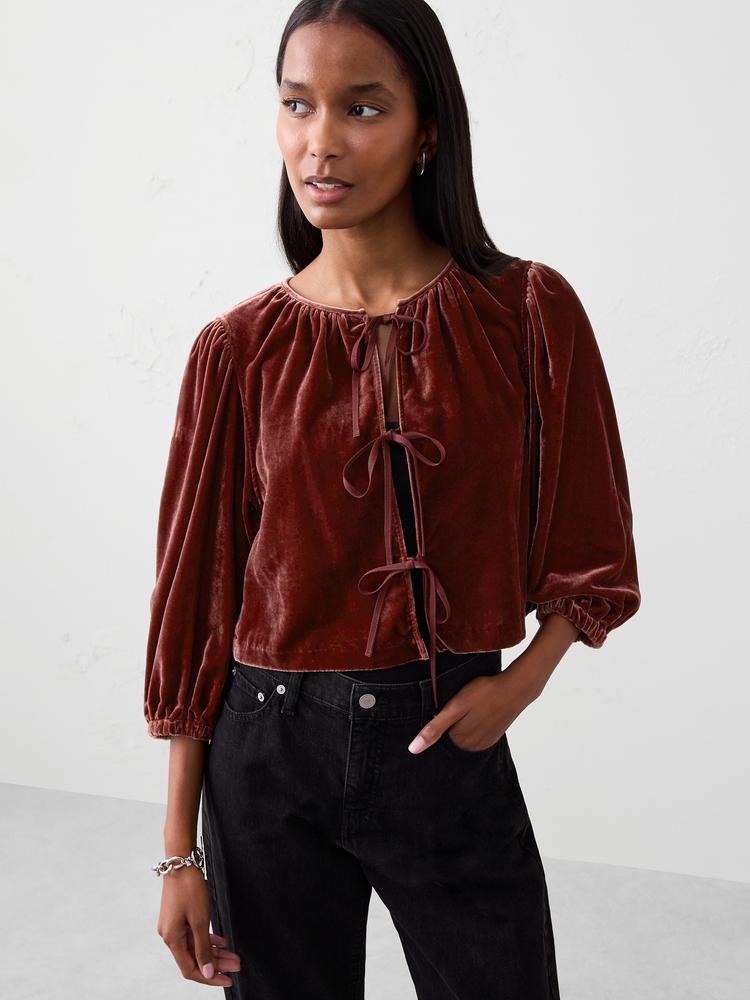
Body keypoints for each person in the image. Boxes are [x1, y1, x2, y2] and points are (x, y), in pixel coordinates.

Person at [143, 2, 641, 997]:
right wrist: (178, 853)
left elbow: (592, 542)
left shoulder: (526, 314)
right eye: (297, 104)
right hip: (265, 751)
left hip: (445, 738)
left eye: (362, 108)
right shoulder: (238, 351)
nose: (320, 142)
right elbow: (193, 607)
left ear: (428, 133)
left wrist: (520, 683)